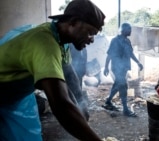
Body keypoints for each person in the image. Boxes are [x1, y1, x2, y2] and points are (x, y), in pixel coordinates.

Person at [0, 0, 105, 140]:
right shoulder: (45, 44)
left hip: (12, 99)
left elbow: (67, 82)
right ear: (73, 22)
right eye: (90, 33)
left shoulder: (61, 40)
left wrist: (80, 111)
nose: (91, 40)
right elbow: (60, 105)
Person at [103, 23, 143, 117]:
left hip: (124, 67)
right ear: (124, 30)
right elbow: (109, 54)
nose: (131, 31)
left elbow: (130, 54)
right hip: (117, 67)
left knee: (117, 84)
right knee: (123, 85)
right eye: (129, 30)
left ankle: (108, 101)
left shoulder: (127, 41)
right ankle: (125, 109)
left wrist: (138, 62)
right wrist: (106, 67)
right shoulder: (115, 40)